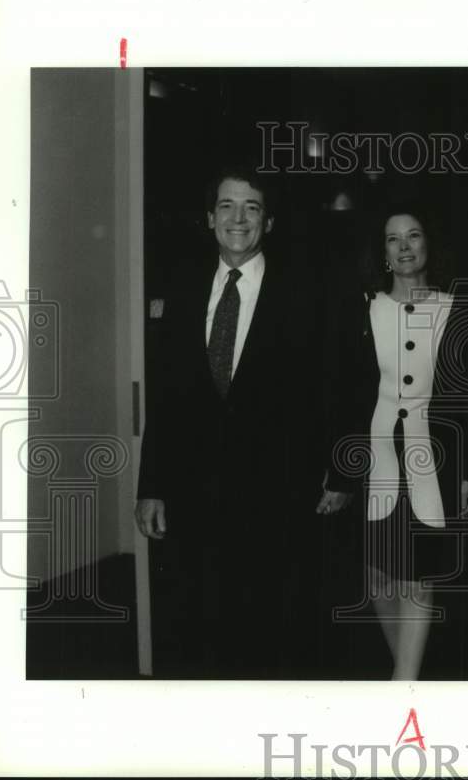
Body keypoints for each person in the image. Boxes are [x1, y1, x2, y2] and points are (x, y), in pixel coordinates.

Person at [134, 166, 343, 678]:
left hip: (279, 495)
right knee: (198, 627)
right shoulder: (182, 290)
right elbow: (166, 395)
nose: (238, 218)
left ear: (268, 222)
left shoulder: (307, 292)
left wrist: (341, 473)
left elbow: (336, 387)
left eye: (252, 207)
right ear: (209, 219)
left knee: (272, 631)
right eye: (227, 205)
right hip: (194, 494)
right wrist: (151, 486)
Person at [321, 203, 468, 680]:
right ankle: (406, 681)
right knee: (377, 574)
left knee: (419, 573)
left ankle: (403, 684)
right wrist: (338, 473)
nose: (405, 246)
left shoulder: (456, 309)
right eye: (394, 239)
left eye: (414, 236)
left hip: (434, 459)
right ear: (383, 252)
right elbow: (345, 396)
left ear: (428, 244)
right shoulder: (364, 309)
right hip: (374, 458)